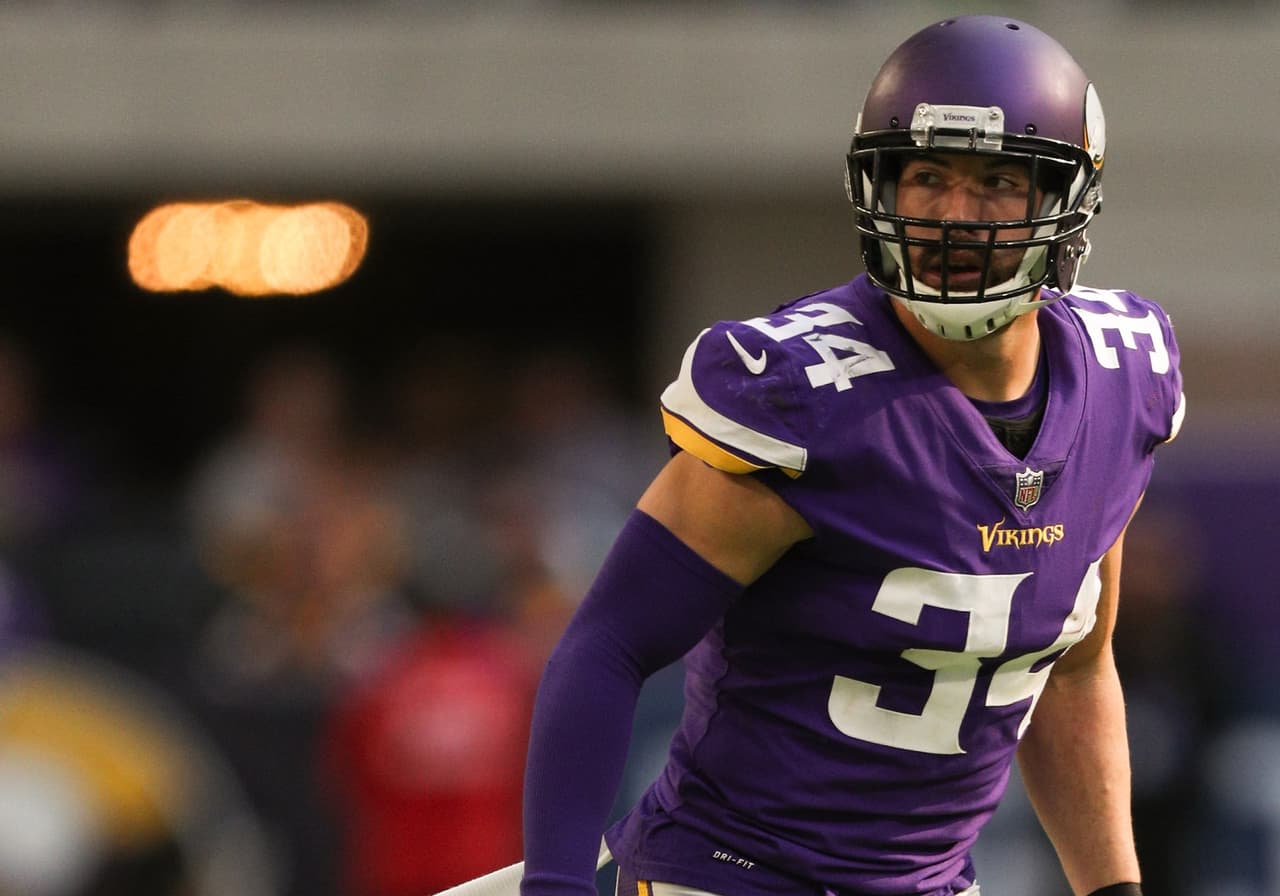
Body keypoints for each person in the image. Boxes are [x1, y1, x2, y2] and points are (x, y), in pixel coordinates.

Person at [517, 15, 1185, 896]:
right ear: (879, 186)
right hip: (733, 875)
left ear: (1067, 200)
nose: (954, 216)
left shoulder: (1118, 380)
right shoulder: (801, 397)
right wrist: (555, 884)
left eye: (996, 182)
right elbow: (605, 645)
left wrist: (1114, 890)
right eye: (928, 175)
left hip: (931, 883)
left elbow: (1073, 672)